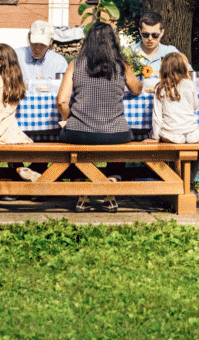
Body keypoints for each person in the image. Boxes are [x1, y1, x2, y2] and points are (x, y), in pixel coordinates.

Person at [56, 20, 138, 211]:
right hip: (115, 133)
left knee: (74, 144)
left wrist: (69, 119)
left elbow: (61, 101)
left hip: (79, 132)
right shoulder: (121, 65)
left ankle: (82, 188)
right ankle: (111, 182)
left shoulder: (75, 64)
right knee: (122, 144)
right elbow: (136, 89)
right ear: (113, 42)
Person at [147, 51, 199, 201]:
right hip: (190, 133)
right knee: (197, 149)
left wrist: (155, 137)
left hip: (171, 134)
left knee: (172, 151)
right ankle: (189, 184)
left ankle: (174, 182)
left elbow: (157, 116)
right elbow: (195, 106)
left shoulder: (160, 87)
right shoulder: (189, 84)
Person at [128, 11, 189, 93]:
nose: (150, 38)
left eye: (155, 35)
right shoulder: (129, 52)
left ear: (162, 32)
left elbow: (188, 73)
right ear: (140, 31)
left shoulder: (170, 52)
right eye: (145, 35)